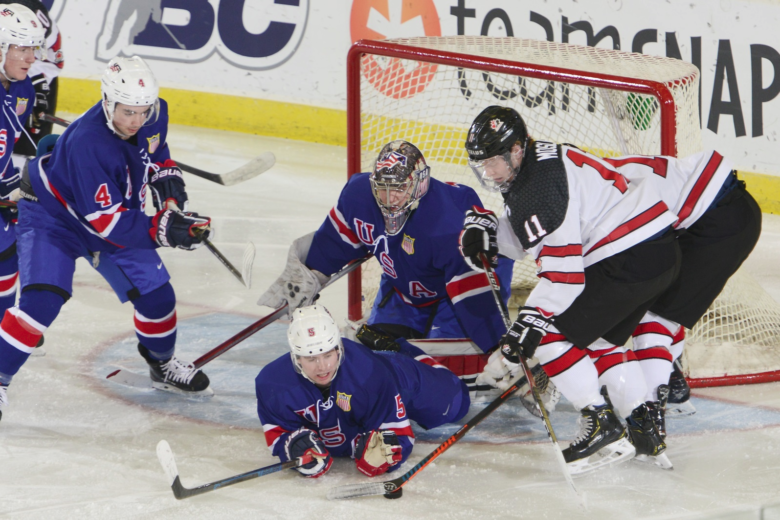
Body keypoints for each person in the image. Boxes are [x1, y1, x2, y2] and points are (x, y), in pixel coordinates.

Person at [459, 105, 683, 475]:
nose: (488, 172)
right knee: (596, 341)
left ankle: (601, 424)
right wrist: (493, 236)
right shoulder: (538, 162)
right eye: (481, 164)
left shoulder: (538, 190)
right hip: (656, 252)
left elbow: (564, 278)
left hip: (627, 257)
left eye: (493, 162)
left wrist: (525, 331)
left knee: (547, 336)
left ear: (516, 150)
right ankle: (644, 430)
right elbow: (543, 234)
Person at [0, 55, 213, 422]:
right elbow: (108, 225)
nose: (135, 121)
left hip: (108, 214)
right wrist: (164, 229)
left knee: (159, 298)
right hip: (53, 217)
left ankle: (161, 366)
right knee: (41, 302)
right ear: (107, 101)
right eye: (127, 112)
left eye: (142, 111)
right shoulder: (87, 144)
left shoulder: (154, 112)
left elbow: (156, 152)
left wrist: (171, 195)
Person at [257, 139, 513, 393]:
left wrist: (500, 350)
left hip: (456, 294)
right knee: (372, 362)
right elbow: (333, 242)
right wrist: (310, 273)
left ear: (419, 183)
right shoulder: (358, 196)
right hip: (402, 288)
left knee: (450, 375)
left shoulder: (448, 220)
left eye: (399, 188)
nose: (390, 199)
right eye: (383, 188)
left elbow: (473, 297)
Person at [602, 151, 761, 440]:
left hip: (718, 221)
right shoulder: (603, 172)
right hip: (729, 210)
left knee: (653, 318)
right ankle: (671, 382)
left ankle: (650, 416)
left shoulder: (598, 195)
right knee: (660, 299)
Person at [255, 304, 470, 478]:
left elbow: (400, 434)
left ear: (339, 348)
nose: (322, 367)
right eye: (311, 359)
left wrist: (387, 453)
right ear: (296, 357)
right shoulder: (272, 384)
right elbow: (279, 436)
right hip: (359, 395)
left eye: (328, 355)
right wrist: (294, 447)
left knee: (457, 403)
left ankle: (399, 349)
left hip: (397, 375)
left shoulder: (370, 373)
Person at [0, 4, 41, 328]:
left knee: (7, 254)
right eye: (22, 48)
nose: (31, 58)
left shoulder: (23, 87)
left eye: (33, 48)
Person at [0, 0, 64, 156]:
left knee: (26, 149)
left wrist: (37, 81)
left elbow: (51, 59)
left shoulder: (34, 16)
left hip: (28, 80)